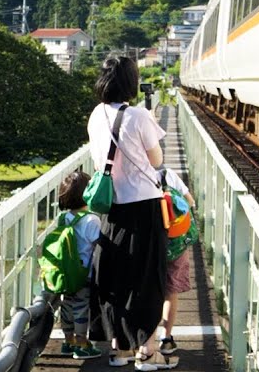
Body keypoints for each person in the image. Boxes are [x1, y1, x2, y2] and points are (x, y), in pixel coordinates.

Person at [88, 56, 173, 371]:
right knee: (147, 280)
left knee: (115, 278)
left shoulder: (96, 115)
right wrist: (149, 120)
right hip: (144, 210)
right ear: (131, 82)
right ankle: (148, 352)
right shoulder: (138, 116)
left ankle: (118, 349)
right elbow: (156, 159)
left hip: (112, 209)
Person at [55, 171, 103, 360]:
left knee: (66, 305)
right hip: (84, 273)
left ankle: (68, 342)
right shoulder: (91, 220)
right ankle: (82, 344)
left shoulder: (63, 218)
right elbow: (99, 245)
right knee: (82, 307)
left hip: (65, 273)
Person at [158, 166, 196, 357]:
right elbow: (190, 202)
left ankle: (139, 341)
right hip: (174, 243)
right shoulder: (166, 174)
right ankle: (166, 338)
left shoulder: (126, 172)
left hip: (143, 242)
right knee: (170, 290)